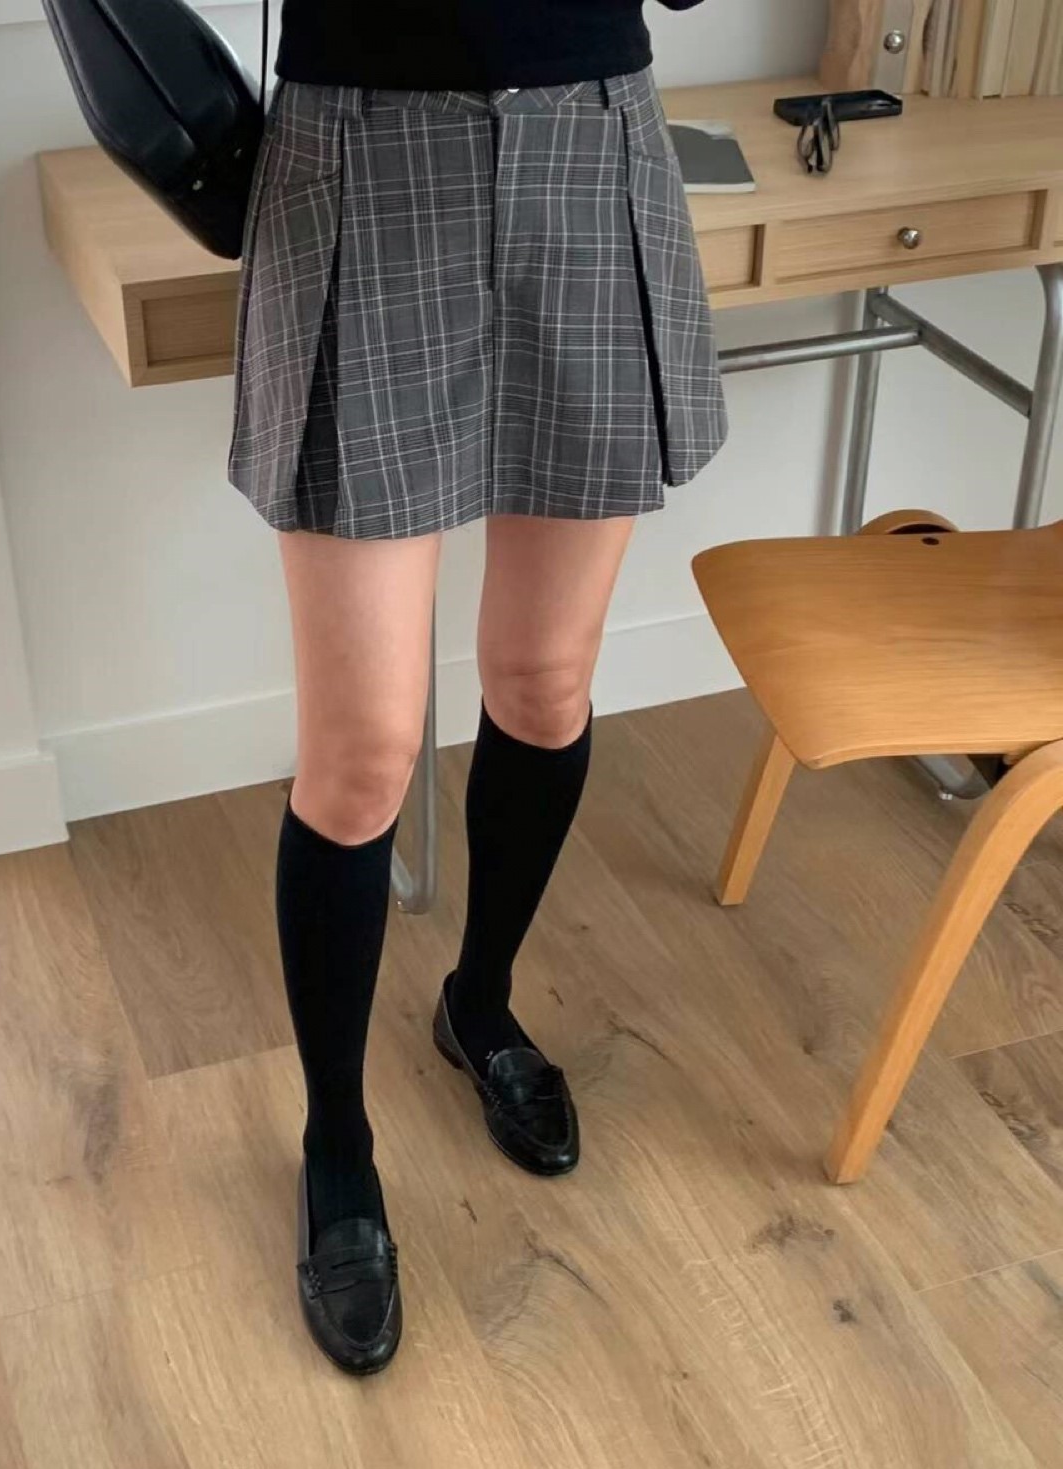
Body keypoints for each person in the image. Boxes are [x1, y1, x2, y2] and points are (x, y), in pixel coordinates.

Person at [229, 0, 725, 1375]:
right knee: (360, 756)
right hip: (367, 152)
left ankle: (481, 1003)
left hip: (588, 149)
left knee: (545, 681)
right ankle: (337, 1140)